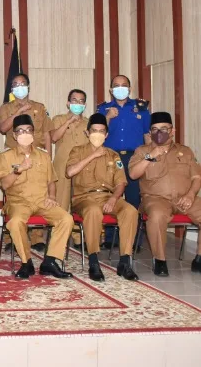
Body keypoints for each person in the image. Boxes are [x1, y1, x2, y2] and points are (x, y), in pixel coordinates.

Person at [0, 114, 74, 280]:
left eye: (28, 130)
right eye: (20, 131)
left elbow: (51, 181)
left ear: (33, 133)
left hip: (42, 200)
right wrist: (18, 170)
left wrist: (52, 196)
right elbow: (4, 184)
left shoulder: (43, 155)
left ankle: (50, 261)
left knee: (66, 219)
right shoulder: (6, 156)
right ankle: (27, 263)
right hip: (18, 202)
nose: (25, 134)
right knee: (15, 222)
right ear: (14, 135)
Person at [66, 113, 139, 281]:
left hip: (108, 197)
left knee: (130, 211)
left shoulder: (113, 155)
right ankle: (93, 261)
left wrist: (114, 199)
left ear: (106, 135)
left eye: (101, 131)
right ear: (87, 133)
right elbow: (69, 172)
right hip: (84, 198)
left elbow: (121, 182)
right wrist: (93, 155)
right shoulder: (77, 151)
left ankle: (124, 262)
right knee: (93, 211)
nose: (97, 134)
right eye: (94, 131)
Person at [129, 112, 201, 277]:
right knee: (156, 216)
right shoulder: (142, 151)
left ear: (172, 131)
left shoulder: (185, 151)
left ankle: (199, 258)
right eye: (154, 129)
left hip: (185, 198)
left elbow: (197, 177)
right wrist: (150, 156)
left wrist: (191, 195)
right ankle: (160, 260)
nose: (159, 133)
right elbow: (133, 174)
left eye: (163, 129)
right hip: (155, 199)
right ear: (150, 132)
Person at [0, 73, 53, 252]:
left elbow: (46, 133)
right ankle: (12, 238)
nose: (19, 87)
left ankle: (37, 238)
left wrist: (49, 157)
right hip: (14, 156)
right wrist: (19, 112)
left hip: (37, 156)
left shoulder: (40, 107)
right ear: (12, 89)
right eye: (15, 84)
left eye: (23, 84)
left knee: (39, 192)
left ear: (28, 87)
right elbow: (3, 128)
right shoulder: (6, 108)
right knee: (14, 194)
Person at [97, 74, 150, 249]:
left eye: (124, 85)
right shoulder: (103, 109)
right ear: (111, 90)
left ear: (130, 88)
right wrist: (108, 117)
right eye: (116, 85)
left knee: (134, 198)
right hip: (110, 157)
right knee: (110, 196)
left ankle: (133, 239)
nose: (120, 88)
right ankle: (110, 238)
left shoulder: (141, 109)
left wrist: (150, 158)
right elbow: (96, 134)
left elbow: (147, 135)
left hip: (134, 157)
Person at [50, 89, 89, 246]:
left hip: (82, 167)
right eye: (74, 100)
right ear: (68, 103)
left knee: (79, 202)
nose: (77, 104)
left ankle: (78, 238)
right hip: (62, 166)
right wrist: (68, 122)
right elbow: (54, 137)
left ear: (84, 105)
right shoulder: (58, 119)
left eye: (81, 101)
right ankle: (58, 238)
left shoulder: (88, 123)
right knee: (61, 202)